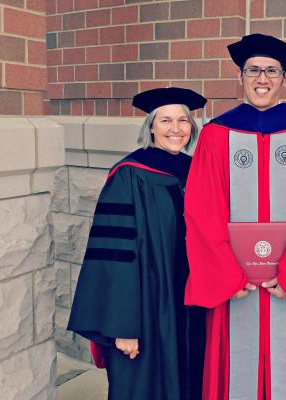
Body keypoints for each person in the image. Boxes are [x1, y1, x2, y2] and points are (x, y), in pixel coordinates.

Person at [184, 33, 286, 400]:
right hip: (235, 285)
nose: (262, 79)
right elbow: (201, 210)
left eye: (271, 71)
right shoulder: (215, 135)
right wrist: (227, 276)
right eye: (253, 70)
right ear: (240, 77)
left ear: (285, 79)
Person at [68, 87, 207, 400]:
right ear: (152, 126)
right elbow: (113, 257)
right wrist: (123, 326)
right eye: (166, 120)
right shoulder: (129, 176)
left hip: (190, 311)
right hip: (147, 314)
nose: (176, 129)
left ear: (192, 127)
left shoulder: (195, 172)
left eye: (183, 121)